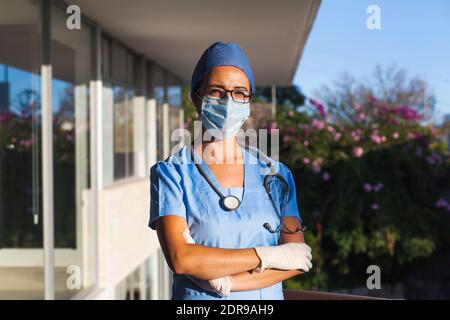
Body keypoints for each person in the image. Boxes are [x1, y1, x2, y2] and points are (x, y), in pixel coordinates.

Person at [149, 41, 312, 300]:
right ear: (196, 97)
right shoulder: (172, 174)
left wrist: (225, 282)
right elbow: (181, 258)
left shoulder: (277, 175)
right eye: (216, 91)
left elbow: (298, 258)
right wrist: (269, 255)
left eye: (239, 93)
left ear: (248, 103)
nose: (228, 101)